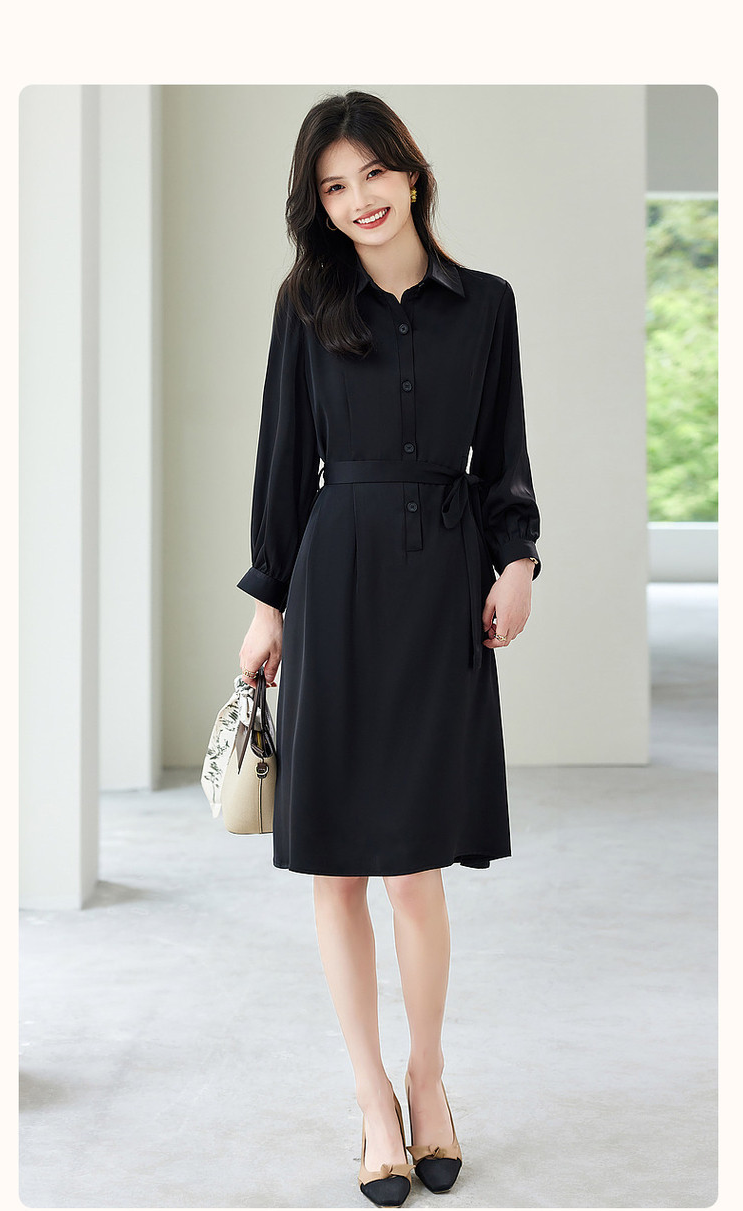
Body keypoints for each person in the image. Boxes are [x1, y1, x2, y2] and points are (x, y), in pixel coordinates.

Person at [236, 90, 542, 1207]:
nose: (358, 199)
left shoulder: (486, 305)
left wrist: (517, 561)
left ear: (410, 173)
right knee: (339, 865)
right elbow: (283, 460)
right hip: (337, 582)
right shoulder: (306, 305)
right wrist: (268, 603)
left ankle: (428, 1078)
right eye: (333, 186)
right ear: (317, 205)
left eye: (372, 173)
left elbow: (503, 452)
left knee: (415, 868)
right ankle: (372, 1101)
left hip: (443, 583)